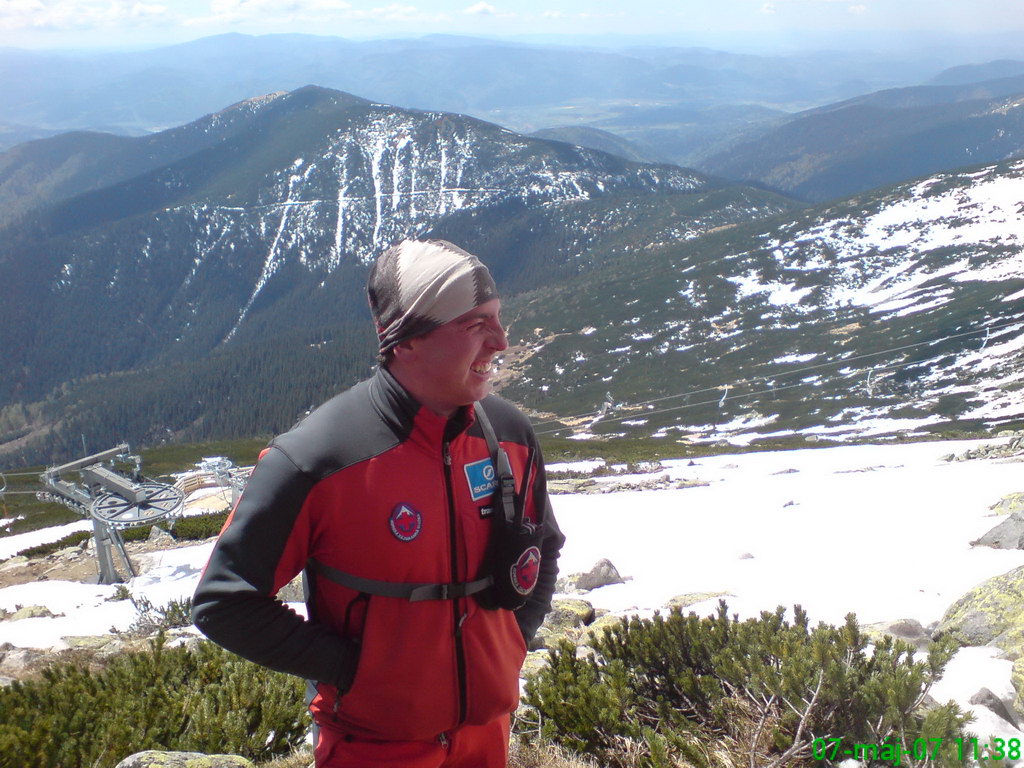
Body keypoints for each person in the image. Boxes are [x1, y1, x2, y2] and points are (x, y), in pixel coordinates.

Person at [193, 238, 564, 768]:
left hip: (487, 738)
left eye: (498, 318)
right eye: (475, 324)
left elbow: (543, 548)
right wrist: (355, 670)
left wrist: (511, 645)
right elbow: (224, 602)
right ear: (406, 339)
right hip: (371, 748)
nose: (501, 341)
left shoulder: (510, 434)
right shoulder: (316, 459)